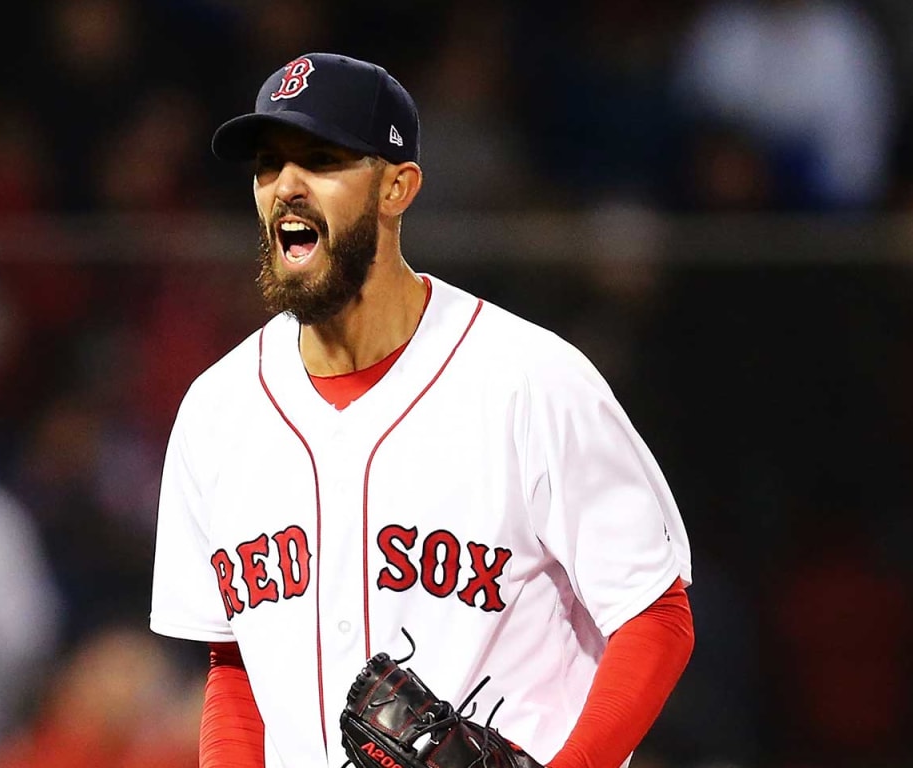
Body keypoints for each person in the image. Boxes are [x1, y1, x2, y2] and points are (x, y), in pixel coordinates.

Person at [148, 53, 694, 768]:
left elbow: (655, 616)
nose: (285, 186)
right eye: (267, 165)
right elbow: (235, 661)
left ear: (396, 187)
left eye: (320, 159)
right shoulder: (216, 412)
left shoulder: (531, 380)